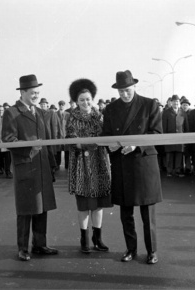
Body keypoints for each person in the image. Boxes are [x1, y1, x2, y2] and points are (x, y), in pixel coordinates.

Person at [102, 70, 162, 264]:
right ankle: (131, 249)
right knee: (126, 213)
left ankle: (152, 251)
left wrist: (136, 144)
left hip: (144, 164)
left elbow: (157, 133)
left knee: (147, 214)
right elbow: (106, 135)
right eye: (121, 92)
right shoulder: (111, 109)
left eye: (127, 90)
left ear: (134, 86)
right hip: (122, 164)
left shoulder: (149, 104)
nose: (124, 95)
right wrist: (111, 145)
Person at [2, 74, 58, 261]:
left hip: (41, 165)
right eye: (33, 93)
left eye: (38, 92)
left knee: (42, 207)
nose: (36, 96)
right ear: (23, 92)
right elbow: (9, 140)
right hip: (26, 165)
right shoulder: (12, 112)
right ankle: (23, 248)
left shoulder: (40, 112)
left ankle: (40, 245)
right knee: (26, 209)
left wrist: (52, 165)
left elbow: (47, 140)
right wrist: (29, 146)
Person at [66, 78, 112, 253]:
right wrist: (89, 144)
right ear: (76, 102)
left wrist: (93, 143)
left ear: (92, 99)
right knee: (84, 205)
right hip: (81, 165)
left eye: (88, 99)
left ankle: (97, 238)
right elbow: (71, 141)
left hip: (99, 163)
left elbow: (105, 137)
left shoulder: (100, 116)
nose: (85, 102)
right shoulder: (72, 118)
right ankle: (84, 239)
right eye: (82, 99)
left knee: (98, 203)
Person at [162, 95, 189, 177]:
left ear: (179, 102)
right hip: (169, 137)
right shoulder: (166, 112)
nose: (176, 103)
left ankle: (178, 170)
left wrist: (186, 137)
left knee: (179, 154)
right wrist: (165, 137)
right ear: (171, 102)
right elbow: (164, 126)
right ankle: (169, 171)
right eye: (174, 101)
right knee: (169, 154)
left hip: (180, 137)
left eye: (177, 101)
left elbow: (186, 126)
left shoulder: (183, 113)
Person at [55, 100, 70, 169]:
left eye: (63, 104)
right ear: (58, 105)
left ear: (65, 105)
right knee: (58, 151)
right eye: (60, 104)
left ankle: (67, 165)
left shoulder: (68, 114)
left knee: (67, 151)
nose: (61, 106)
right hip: (58, 135)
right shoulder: (55, 114)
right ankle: (57, 165)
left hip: (66, 135)